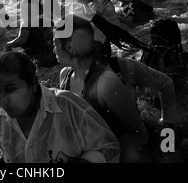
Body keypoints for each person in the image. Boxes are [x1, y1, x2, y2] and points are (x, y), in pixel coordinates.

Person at [0, 52, 121, 163]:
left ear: (33, 84)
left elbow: (110, 147)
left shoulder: (68, 106)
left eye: (11, 89)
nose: (3, 100)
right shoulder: (0, 120)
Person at [53, 14, 149, 162]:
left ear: (70, 47)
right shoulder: (64, 76)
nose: (53, 50)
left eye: (55, 44)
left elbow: (140, 135)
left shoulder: (106, 83)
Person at [140, 19, 188, 108]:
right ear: (176, 36)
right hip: (176, 102)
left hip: (151, 102)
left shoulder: (146, 56)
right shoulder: (183, 58)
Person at [5, 0, 58, 67]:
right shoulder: (48, 21)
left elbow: (21, 40)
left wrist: (9, 44)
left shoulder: (26, 23)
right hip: (54, 56)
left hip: (37, 59)